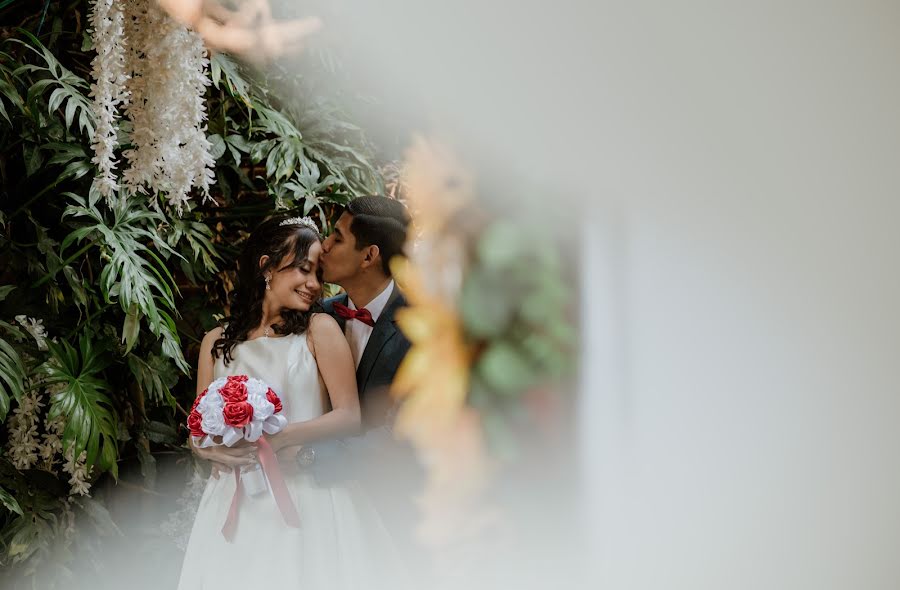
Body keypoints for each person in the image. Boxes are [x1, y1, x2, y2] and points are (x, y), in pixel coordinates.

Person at [179, 215, 407, 590]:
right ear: (266, 266)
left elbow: (349, 416)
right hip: (233, 500)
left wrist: (281, 438)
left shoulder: (319, 329)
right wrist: (206, 451)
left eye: (319, 274)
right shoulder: (215, 342)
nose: (315, 285)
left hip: (308, 494)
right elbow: (197, 428)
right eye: (303, 269)